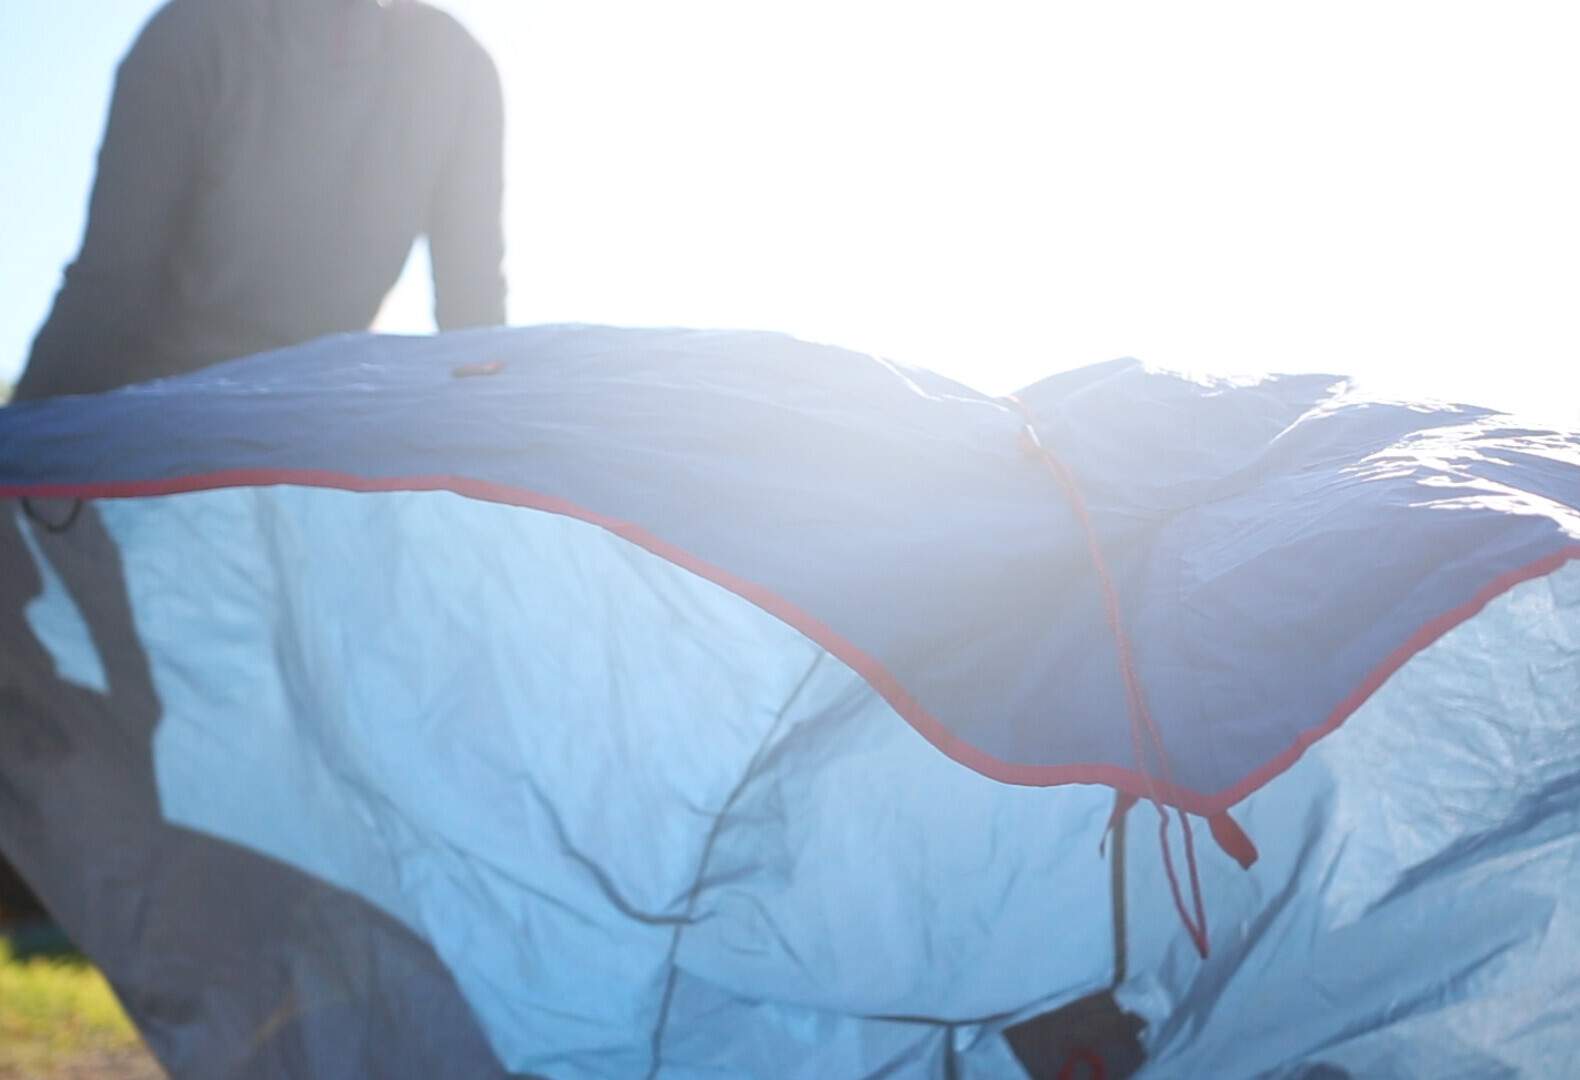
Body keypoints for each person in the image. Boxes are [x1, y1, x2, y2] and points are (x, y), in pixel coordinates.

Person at [13, 0, 506, 402]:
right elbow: (111, 287)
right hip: (164, 431)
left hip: (306, 436)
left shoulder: (458, 70)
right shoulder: (194, 38)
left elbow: (474, 325)